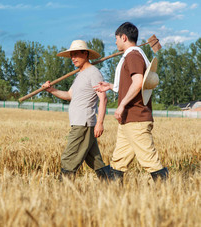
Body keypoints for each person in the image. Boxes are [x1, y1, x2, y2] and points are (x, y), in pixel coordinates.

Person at [93, 22, 168, 182]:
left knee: (149, 160)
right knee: (118, 162)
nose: (115, 42)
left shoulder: (133, 56)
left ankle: (168, 191)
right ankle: (114, 197)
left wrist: (121, 105)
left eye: (116, 38)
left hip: (136, 118)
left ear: (124, 37)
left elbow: (138, 82)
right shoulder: (133, 55)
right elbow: (131, 85)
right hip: (128, 119)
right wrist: (111, 86)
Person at [42, 40, 110, 181]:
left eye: (76, 54)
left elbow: (103, 98)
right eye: (71, 55)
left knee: (69, 157)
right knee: (95, 161)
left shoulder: (93, 73)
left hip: (83, 123)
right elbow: (69, 95)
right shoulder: (80, 75)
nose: (73, 58)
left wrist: (100, 122)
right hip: (80, 123)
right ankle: (113, 183)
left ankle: (63, 191)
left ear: (86, 54)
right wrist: (51, 90)